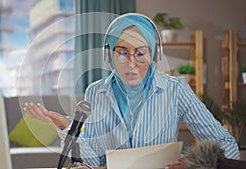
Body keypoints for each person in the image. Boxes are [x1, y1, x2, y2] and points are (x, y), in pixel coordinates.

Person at [25, 13, 240, 167]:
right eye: (122, 52)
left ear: (154, 55)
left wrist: (197, 164)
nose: (131, 63)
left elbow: (227, 144)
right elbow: (92, 160)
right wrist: (67, 127)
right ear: (108, 55)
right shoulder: (96, 92)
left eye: (140, 53)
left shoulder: (175, 90)